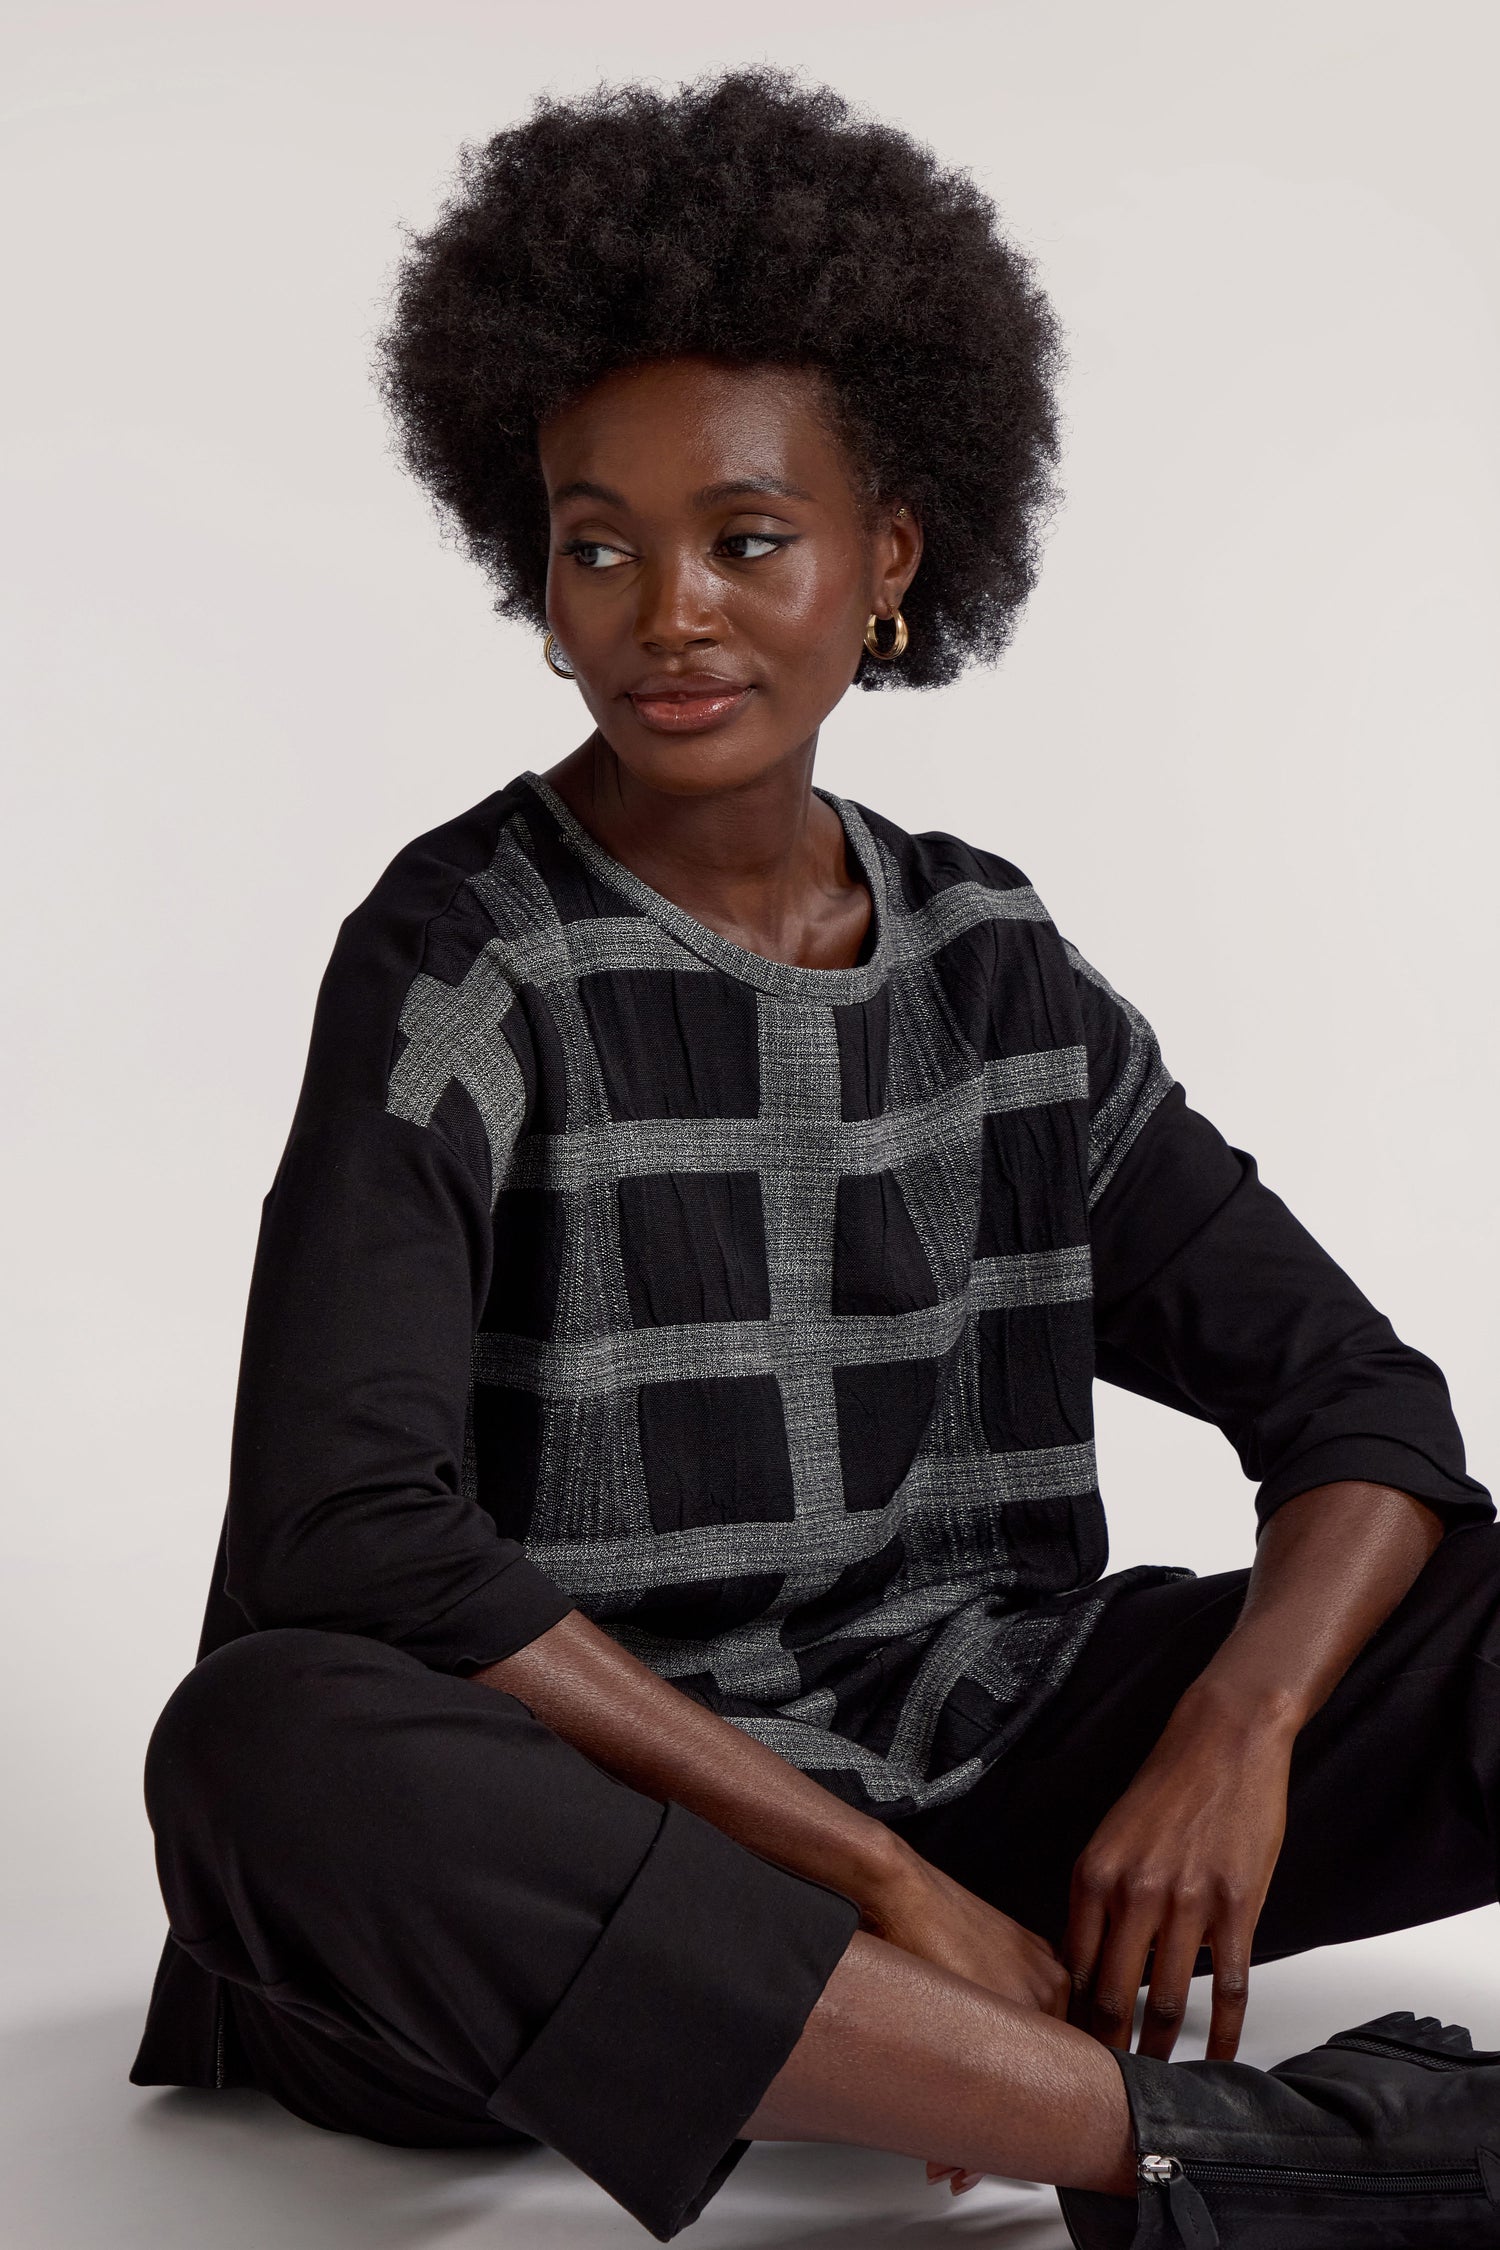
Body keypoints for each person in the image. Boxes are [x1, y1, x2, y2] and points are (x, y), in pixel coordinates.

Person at [132, 70, 1500, 2248]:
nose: (667, 607)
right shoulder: (459, 952)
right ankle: (1182, 2143)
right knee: (261, 1750)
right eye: (599, 541)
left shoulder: (994, 965)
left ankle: (936, 2026)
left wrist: (1230, 1740)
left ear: (890, 560)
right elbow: (349, 1528)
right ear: (540, 573)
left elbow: (1365, 1412)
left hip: (975, 1767)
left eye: (745, 537)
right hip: (590, 1848)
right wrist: (867, 1880)